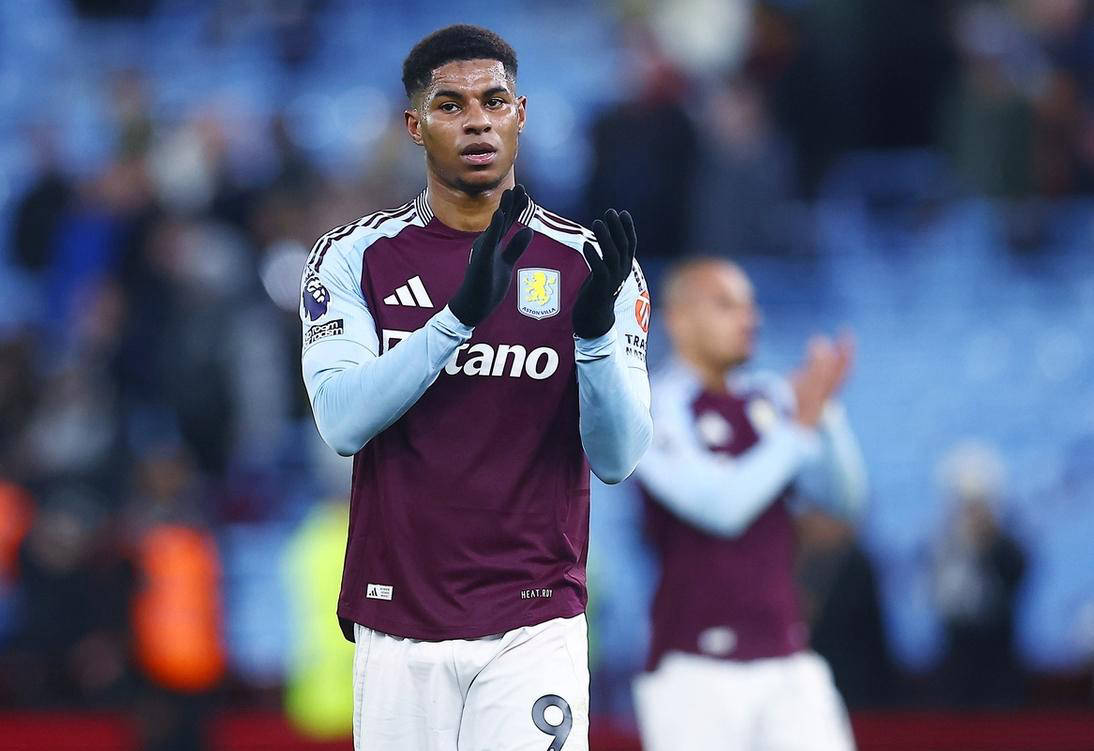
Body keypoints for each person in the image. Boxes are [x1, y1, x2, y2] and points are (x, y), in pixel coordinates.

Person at [299, 25, 652, 751]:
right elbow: (340, 421)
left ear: (520, 114)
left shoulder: (592, 264)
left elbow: (619, 457)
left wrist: (591, 340)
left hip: (534, 619)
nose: (477, 121)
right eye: (451, 105)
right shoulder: (354, 256)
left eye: (494, 101)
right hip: (398, 621)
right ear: (415, 125)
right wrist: (456, 319)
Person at [633, 257, 866, 751]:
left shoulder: (770, 400)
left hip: (787, 658)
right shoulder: (651, 406)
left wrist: (826, 414)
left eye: (750, 306)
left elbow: (845, 502)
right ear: (679, 320)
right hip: (693, 669)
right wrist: (799, 429)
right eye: (726, 305)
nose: (749, 319)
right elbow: (720, 508)